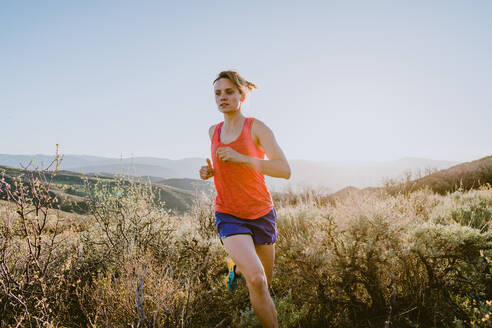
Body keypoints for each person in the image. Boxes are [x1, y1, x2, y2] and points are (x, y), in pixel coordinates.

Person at [199, 70, 291, 328]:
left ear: (242, 94)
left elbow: (284, 170)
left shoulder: (256, 127)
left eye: (229, 92)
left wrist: (242, 158)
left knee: (265, 284)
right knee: (258, 280)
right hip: (229, 214)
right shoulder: (213, 132)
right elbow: (224, 166)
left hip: (261, 213)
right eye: (217, 93)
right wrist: (210, 172)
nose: (222, 97)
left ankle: (237, 267)